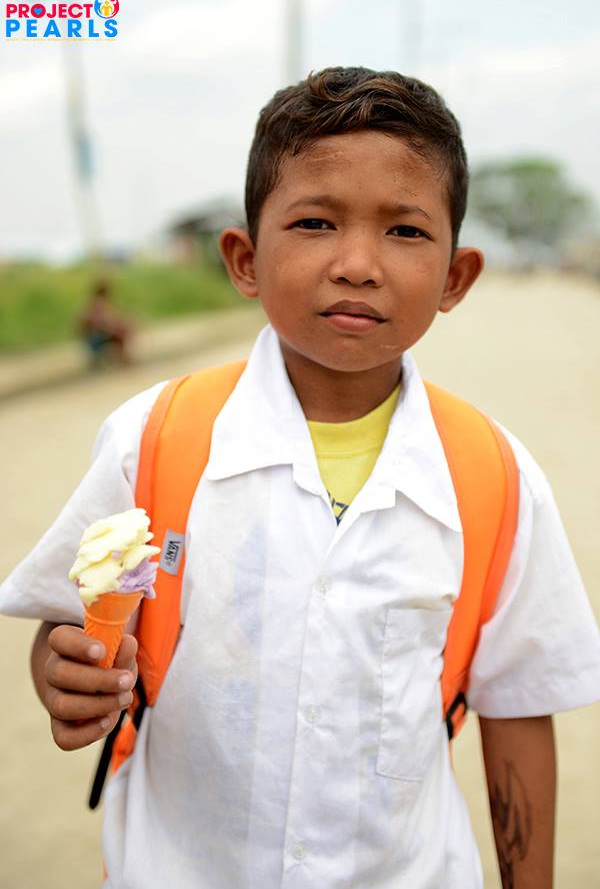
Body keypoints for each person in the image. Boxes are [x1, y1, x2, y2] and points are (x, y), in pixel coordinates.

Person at [1, 67, 599, 888]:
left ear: (455, 278)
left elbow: (519, 704)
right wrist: (64, 676)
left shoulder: (495, 477)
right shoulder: (154, 437)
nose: (357, 264)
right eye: (315, 222)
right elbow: (70, 623)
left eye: (406, 231)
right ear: (245, 259)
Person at [79, 279, 132, 366]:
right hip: (94, 339)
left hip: (90, 338)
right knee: (118, 335)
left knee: (118, 332)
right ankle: (124, 360)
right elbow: (100, 323)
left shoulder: (92, 303)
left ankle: (123, 360)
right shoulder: (99, 303)